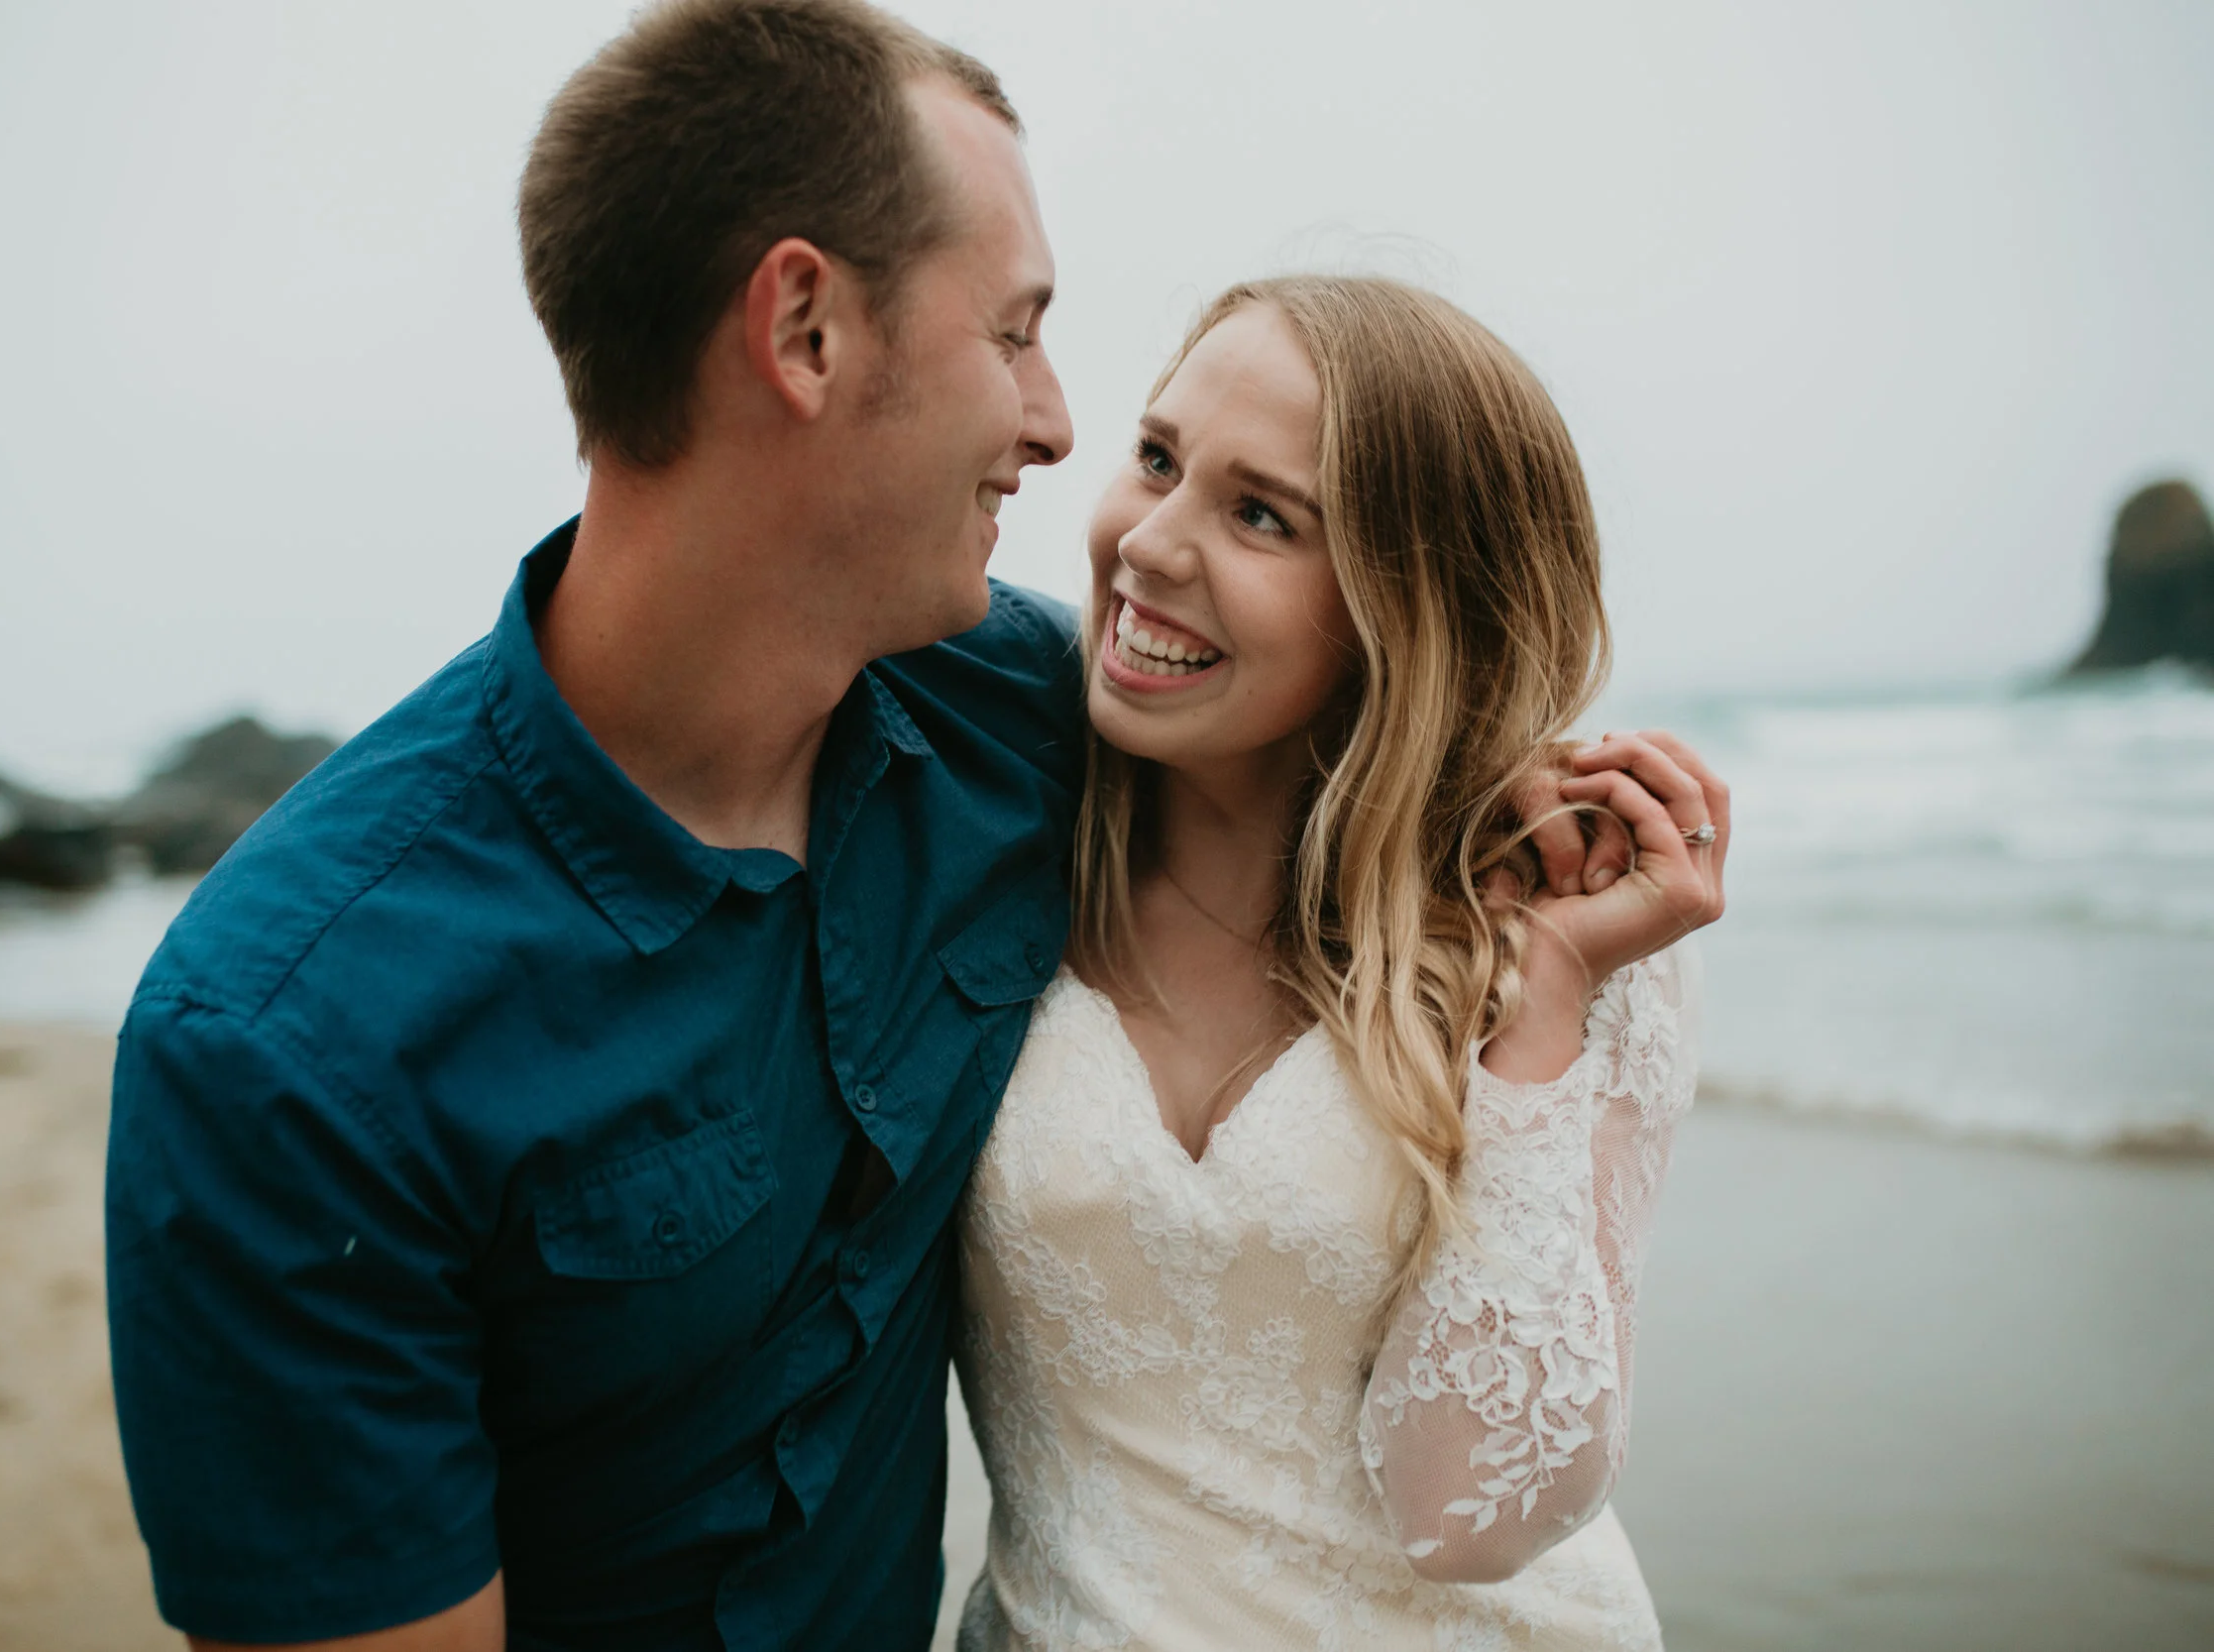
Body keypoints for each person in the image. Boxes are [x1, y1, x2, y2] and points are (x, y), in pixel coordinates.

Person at [103, 3, 1081, 1648]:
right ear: (805, 328)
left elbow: (1383, 769)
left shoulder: (1024, 720)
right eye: (1015, 332)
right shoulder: (285, 1048)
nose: (1054, 419)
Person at [952, 276, 1727, 1650]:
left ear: (1405, 604)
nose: (1152, 544)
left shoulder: (1563, 939)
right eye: (1157, 459)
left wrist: (1538, 1002)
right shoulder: (985, 840)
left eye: (1262, 515)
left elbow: (1477, 1512)